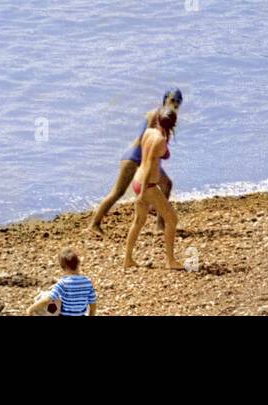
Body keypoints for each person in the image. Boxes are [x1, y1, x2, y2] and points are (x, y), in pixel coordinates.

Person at [89, 89, 184, 234]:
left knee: (166, 185)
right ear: (165, 99)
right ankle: (94, 224)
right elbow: (144, 139)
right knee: (118, 192)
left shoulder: (168, 117)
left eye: (178, 101)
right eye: (173, 100)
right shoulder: (155, 114)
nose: (175, 104)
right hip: (134, 157)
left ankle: (160, 225)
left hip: (145, 159)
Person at [122, 108, 183, 269]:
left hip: (137, 180)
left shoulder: (149, 132)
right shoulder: (161, 141)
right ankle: (171, 261)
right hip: (147, 186)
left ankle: (128, 259)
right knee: (172, 219)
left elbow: (146, 158)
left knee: (139, 221)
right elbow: (150, 167)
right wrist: (142, 194)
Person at [27, 249, 97, 316]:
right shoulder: (87, 282)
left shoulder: (63, 283)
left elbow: (48, 299)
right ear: (78, 262)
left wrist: (32, 308)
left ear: (63, 267)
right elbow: (93, 306)